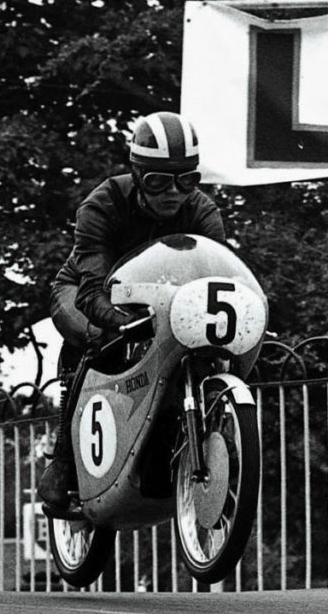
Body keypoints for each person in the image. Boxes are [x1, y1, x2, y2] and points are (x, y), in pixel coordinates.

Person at [37, 111, 228, 517]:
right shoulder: (101, 205)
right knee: (101, 338)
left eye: (186, 180)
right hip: (86, 290)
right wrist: (122, 323)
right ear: (138, 175)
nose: (173, 193)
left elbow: (218, 279)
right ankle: (64, 461)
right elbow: (89, 291)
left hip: (161, 299)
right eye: (159, 181)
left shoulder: (203, 210)